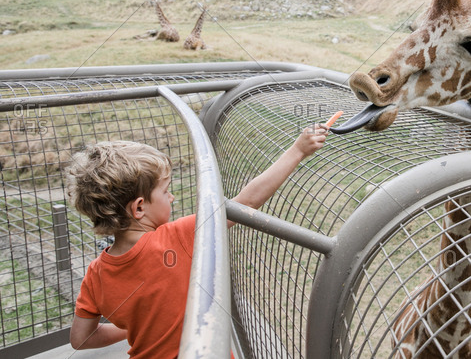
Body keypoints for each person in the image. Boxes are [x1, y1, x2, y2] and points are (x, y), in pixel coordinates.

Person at [66, 124, 329, 358]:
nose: (172, 199)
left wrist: (138, 327)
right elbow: (247, 202)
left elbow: (81, 339)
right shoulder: (177, 236)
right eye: (165, 192)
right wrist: (298, 150)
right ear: (138, 208)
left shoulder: (95, 275)